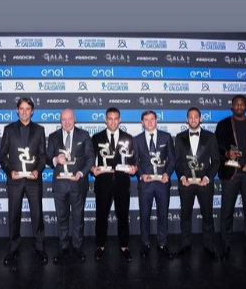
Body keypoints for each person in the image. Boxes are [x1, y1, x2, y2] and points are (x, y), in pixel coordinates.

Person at [0, 98, 48, 266]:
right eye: (22, 108)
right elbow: (2, 155)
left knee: (37, 214)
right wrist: (9, 171)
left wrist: (38, 170)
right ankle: (13, 249)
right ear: (17, 110)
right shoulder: (9, 130)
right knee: (14, 215)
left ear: (32, 111)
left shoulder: (40, 130)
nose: (25, 112)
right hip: (15, 180)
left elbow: (43, 156)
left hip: (33, 180)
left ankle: (40, 248)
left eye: (28, 109)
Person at [215, 95, 246, 263]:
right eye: (236, 104)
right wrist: (227, 153)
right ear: (232, 106)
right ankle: (225, 245)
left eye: (242, 104)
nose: (239, 106)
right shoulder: (223, 125)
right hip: (231, 173)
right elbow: (216, 147)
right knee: (227, 212)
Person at [46, 109, 95, 263]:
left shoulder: (84, 135)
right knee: (61, 218)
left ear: (75, 119)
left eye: (69, 119)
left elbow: (90, 158)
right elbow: (47, 158)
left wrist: (81, 173)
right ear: (60, 120)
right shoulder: (53, 137)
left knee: (78, 217)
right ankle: (63, 247)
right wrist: (55, 160)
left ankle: (77, 247)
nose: (67, 122)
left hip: (78, 184)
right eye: (63, 119)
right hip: (60, 185)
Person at [91, 107, 137, 261]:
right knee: (101, 215)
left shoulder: (128, 138)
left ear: (120, 120)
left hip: (122, 183)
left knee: (123, 215)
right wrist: (92, 169)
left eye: (116, 118)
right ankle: (100, 245)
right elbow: (90, 159)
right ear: (105, 120)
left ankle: (124, 246)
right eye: (110, 119)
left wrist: (134, 168)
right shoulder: (96, 137)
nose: (113, 122)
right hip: (102, 184)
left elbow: (134, 161)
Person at [174, 108, 219, 261]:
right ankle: (185, 244)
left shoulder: (211, 137)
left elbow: (216, 161)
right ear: (186, 120)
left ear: (201, 118)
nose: (193, 120)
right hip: (186, 183)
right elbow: (177, 161)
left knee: (207, 215)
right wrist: (182, 177)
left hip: (204, 183)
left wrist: (207, 177)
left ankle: (209, 245)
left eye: (196, 117)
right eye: (190, 117)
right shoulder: (179, 137)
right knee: (185, 215)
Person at [132, 110, 175, 259]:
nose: (149, 122)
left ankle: (162, 243)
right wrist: (141, 175)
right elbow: (135, 162)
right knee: (144, 215)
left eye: (152, 119)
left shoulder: (166, 137)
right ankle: (145, 243)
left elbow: (172, 159)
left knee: (163, 214)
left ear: (157, 120)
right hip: (146, 184)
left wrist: (167, 174)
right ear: (142, 122)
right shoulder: (136, 139)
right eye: (146, 120)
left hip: (162, 183)